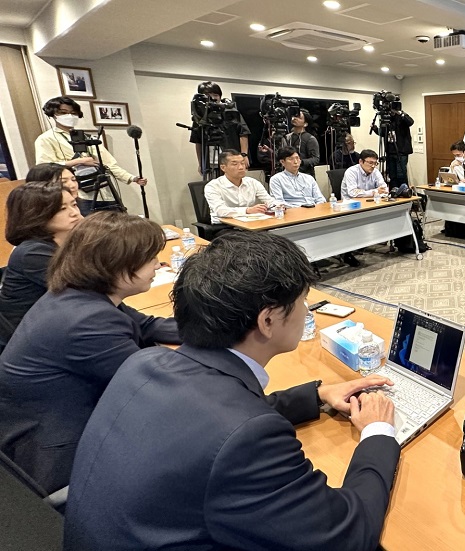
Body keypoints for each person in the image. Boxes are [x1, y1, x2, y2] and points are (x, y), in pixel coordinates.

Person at [63, 231, 399, 550]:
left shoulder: (145, 363)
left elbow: (215, 419)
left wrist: (316, 395)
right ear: (267, 321)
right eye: (302, 302)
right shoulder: (249, 439)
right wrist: (378, 431)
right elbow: (347, 535)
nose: (307, 312)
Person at [0, 212, 180, 494]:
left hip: (57, 422)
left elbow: (144, 325)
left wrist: (213, 331)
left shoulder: (79, 294)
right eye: (151, 259)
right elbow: (156, 389)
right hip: (62, 452)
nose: (158, 264)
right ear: (118, 265)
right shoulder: (88, 321)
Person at [0, 181, 82, 346]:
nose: (74, 213)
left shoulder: (69, 243)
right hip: (26, 343)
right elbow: (89, 290)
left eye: (74, 204)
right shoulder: (31, 252)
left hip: (56, 330)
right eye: (62, 209)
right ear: (36, 214)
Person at [34, 96, 147, 214]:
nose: (69, 116)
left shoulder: (88, 137)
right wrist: (78, 161)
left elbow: (108, 163)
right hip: (79, 195)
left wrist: (132, 178)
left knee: (118, 227)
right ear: (52, 114)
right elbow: (43, 168)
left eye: (73, 113)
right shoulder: (46, 139)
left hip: (105, 192)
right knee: (90, 230)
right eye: (63, 112)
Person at [190, 81, 250, 174]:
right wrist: (201, 163)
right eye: (207, 95)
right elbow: (198, 141)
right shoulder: (199, 116)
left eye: (215, 95)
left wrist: (244, 155)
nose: (213, 98)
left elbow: (243, 133)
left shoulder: (231, 111)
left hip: (231, 159)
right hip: (210, 161)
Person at [204, 149, 277, 223]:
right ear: (223, 168)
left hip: (250, 223)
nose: (241, 167)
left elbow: (269, 200)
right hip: (225, 226)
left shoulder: (252, 182)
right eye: (235, 164)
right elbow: (221, 211)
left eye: (243, 163)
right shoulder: (213, 186)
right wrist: (248, 210)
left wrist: (277, 206)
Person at [259, 109, 321, 176]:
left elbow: (315, 159)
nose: (295, 118)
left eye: (299, 118)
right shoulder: (287, 137)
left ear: (305, 124)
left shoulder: (310, 139)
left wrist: (300, 162)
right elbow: (282, 155)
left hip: (305, 175)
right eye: (294, 116)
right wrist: (269, 150)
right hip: (288, 175)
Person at [379, 109, 414, 186]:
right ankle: (394, 192)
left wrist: (400, 112)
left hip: (401, 151)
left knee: (401, 174)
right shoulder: (386, 118)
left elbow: (411, 122)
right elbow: (383, 133)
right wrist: (375, 129)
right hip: (390, 151)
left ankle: (404, 192)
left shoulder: (401, 117)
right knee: (392, 176)